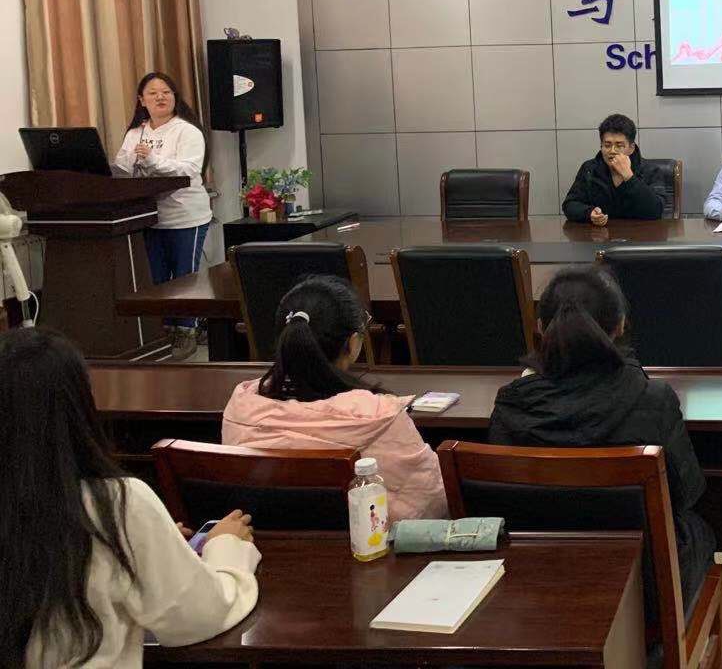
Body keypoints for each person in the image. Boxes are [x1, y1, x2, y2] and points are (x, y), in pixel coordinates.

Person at [0, 329, 259, 668]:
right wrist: (225, 549)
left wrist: (152, 540)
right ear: (79, 407)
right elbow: (198, 617)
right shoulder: (116, 505)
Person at [489, 265, 716, 607]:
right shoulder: (652, 400)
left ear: (540, 328)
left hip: (535, 584)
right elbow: (687, 492)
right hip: (644, 589)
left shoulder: (510, 405)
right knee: (699, 528)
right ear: (620, 325)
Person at [221, 275, 446, 521]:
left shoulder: (240, 409)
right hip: (368, 544)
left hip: (254, 540)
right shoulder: (381, 418)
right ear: (353, 343)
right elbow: (433, 504)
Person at [112, 71, 212, 358]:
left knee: (184, 278)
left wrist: (153, 159)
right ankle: (163, 330)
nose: (160, 97)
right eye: (153, 93)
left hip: (185, 216)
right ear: (141, 100)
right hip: (149, 217)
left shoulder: (187, 131)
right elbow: (122, 170)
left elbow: (189, 170)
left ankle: (186, 331)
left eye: (166, 92)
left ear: (174, 97)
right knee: (155, 279)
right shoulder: (136, 133)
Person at [562, 113, 666, 226]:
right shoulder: (589, 169)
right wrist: (589, 213)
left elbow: (656, 211)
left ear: (631, 148)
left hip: (639, 233)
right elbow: (570, 205)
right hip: (600, 234)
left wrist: (629, 177)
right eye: (607, 145)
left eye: (619, 146)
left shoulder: (651, 171)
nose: (612, 151)